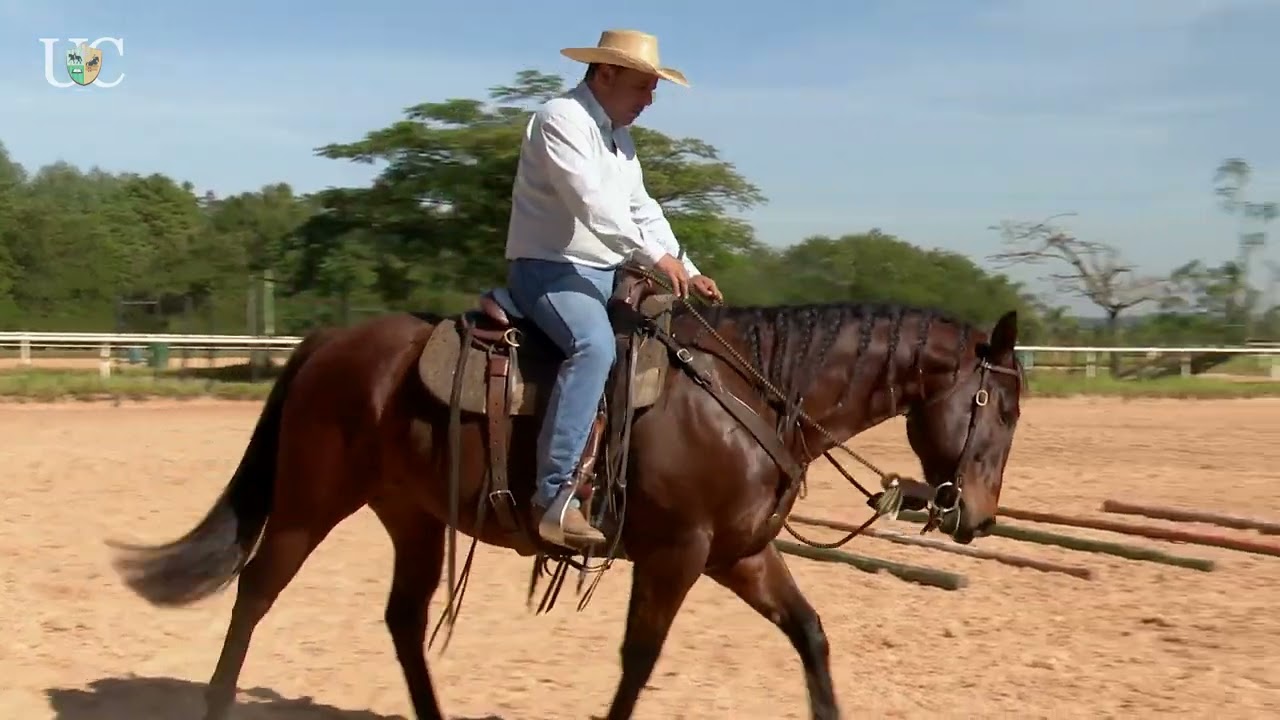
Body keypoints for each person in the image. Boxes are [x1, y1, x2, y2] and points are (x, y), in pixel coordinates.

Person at [504, 29, 723, 550]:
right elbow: (592, 207)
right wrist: (656, 258)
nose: (650, 99)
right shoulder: (561, 119)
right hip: (549, 269)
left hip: (604, 273)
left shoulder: (619, 138)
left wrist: (687, 268)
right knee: (594, 345)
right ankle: (555, 496)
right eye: (643, 86)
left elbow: (643, 209)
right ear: (605, 74)